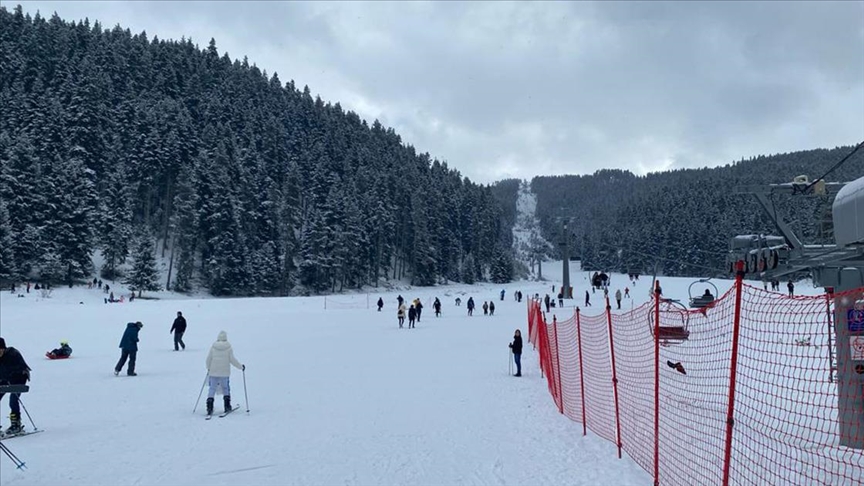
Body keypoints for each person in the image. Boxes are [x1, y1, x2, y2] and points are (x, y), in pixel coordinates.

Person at [205, 331, 244, 416]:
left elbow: (208, 359)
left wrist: (208, 368)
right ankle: (227, 406)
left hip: (213, 372)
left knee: (212, 388)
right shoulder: (228, 347)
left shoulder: (213, 347)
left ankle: (209, 407)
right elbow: (233, 360)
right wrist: (241, 367)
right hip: (224, 373)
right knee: (225, 388)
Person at [0, 338, 31, 434]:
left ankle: (16, 424)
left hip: (19, 378)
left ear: (4, 349)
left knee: (13, 399)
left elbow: (21, 368)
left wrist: (9, 373)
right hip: (5, 379)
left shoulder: (13, 354)